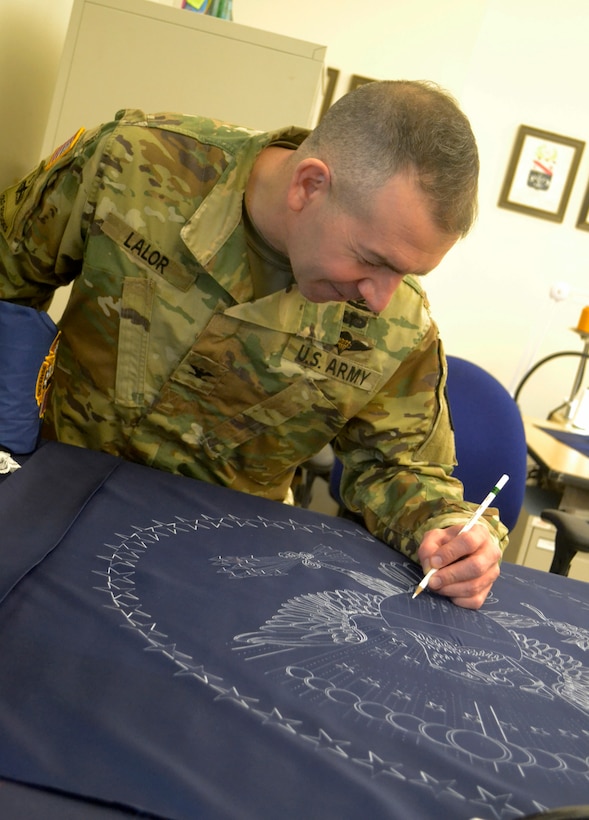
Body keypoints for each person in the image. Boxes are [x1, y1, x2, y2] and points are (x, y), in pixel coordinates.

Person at [0, 80, 504, 609]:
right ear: (309, 186)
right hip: (46, 506)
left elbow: (399, 466)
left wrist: (452, 533)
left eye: (407, 272)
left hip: (209, 569)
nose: (380, 298)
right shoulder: (133, 165)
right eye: (374, 260)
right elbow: (8, 286)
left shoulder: (399, 324)